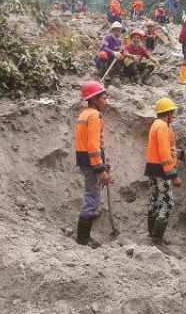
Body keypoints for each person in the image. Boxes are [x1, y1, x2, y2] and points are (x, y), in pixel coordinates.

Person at [145, 98, 186, 245]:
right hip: (162, 170)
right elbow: (164, 152)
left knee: (155, 200)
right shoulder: (162, 126)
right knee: (167, 203)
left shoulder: (159, 125)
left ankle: (152, 235)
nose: (173, 116)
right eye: (172, 113)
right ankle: (156, 238)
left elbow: (168, 150)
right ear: (167, 113)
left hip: (153, 168)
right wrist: (173, 174)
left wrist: (184, 153)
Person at [75, 81, 110, 248]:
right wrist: (100, 168)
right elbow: (93, 145)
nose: (106, 100)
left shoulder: (84, 114)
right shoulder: (94, 116)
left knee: (92, 194)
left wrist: (102, 163)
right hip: (91, 162)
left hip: (84, 160)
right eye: (103, 97)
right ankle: (83, 238)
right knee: (92, 196)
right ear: (94, 99)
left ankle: (84, 234)